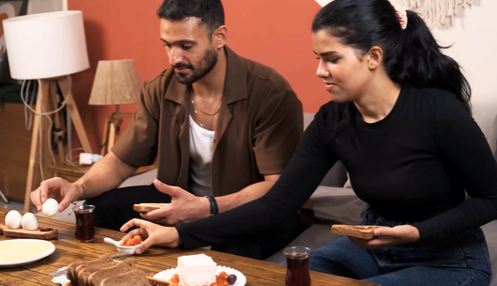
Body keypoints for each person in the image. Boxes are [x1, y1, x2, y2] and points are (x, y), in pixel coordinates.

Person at [120, 0, 497, 285]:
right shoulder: (332, 121)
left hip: (445, 257)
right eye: (318, 58)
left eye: (331, 59)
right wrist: (179, 234)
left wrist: (417, 232)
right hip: (370, 247)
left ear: (373, 57)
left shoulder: (438, 112)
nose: (319, 71)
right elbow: (277, 203)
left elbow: (491, 198)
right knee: (286, 278)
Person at [30, 0, 310, 260]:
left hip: (253, 210)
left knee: (231, 247)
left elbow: (279, 187)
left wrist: (208, 207)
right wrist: (76, 187)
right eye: (168, 45)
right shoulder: (161, 88)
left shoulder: (270, 92)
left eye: (186, 45)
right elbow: (121, 161)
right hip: (182, 199)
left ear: (219, 36)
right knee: (100, 207)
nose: (174, 58)